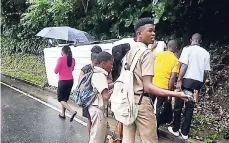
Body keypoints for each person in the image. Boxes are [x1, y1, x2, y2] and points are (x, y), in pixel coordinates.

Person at [122, 17, 193, 143]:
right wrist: (175, 94)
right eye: (150, 31)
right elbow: (148, 87)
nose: (153, 33)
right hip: (141, 102)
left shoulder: (131, 51)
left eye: (154, 31)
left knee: (127, 139)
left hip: (127, 100)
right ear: (139, 33)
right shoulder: (147, 53)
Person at [168, 33, 211, 139]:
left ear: (191, 40)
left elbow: (184, 65)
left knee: (178, 106)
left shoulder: (187, 49)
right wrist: (200, 84)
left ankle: (175, 129)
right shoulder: (206, 53)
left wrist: (179, 81)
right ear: (200, 41)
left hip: (186, 80)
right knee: (190, 108)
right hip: (197, 82)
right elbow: (205, 72)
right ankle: (185, 133)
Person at [153, 40, 179, 133]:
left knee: (149, 106)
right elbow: (172, 78)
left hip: (152, 84)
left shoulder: (157, 55)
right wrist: (170, 92)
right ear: (175, 48)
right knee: (159, 108)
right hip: (163, 88)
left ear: (167, 47)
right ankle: (155, 130)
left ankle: (145, 127)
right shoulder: (175, 60)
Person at [88, 51, 114, 143]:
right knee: (97, 139)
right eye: (110, 64)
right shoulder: (100, 75)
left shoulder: (97, 73)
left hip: (98, 110)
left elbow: (104, 88)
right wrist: (115, 90)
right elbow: (106, 96)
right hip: (98, 110)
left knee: (101, 136)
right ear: (103, 63)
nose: (112, 67)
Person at [78, 45, 102, 135]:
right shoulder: (102, 68)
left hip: (87, 99)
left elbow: (80, 83)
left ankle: (91, 138)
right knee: (98, 120)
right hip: (99, 98)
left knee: (90, 120)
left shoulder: (85, 68)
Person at [54, 45, 77, 122]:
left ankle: (72, 111)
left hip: (63, 81)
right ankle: (63, 114)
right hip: (70, 81)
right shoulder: (73, 60)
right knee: (65, 99)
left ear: (63, 52)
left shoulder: (60, 59)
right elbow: (72, 69)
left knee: (60, 99)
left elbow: (55, 71)